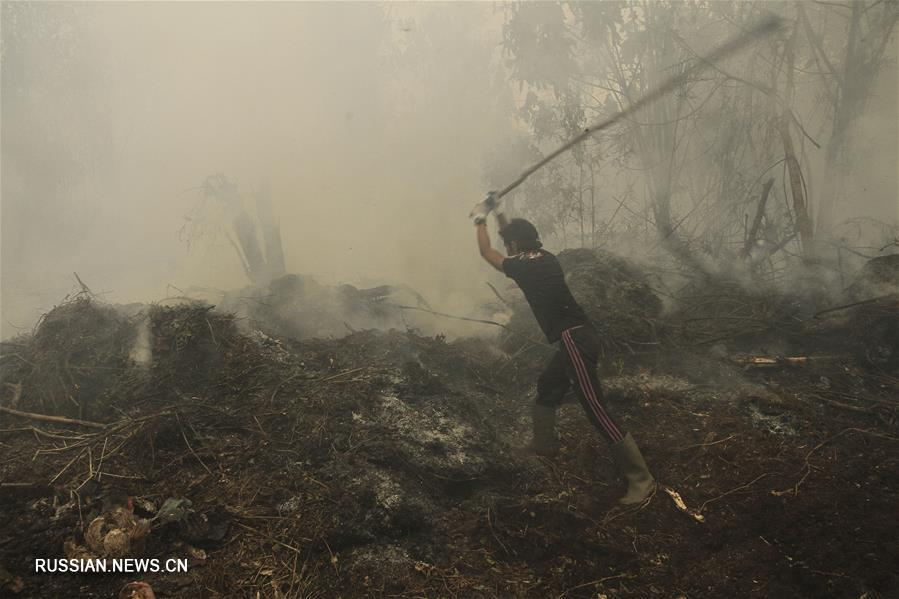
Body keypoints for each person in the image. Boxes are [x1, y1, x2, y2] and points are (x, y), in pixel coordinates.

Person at [472, 196, 655, 505]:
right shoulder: (545, 257)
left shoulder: (521, 264)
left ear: (515, 245)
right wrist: (499, 212)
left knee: (595, 407)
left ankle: (641, 479)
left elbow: (486, 251)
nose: (507, 249)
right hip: (581, 336)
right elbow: (510, 236)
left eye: (509, 244)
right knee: (547, 385)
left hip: (573, 340)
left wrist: (479, 219)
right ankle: (544, 445)